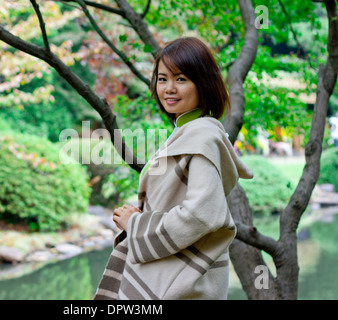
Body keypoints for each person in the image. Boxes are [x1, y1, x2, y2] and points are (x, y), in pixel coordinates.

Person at [94, 37, 253, 300]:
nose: (169, 88)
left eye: (181, 79)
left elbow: (200, 215)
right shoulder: (188, 131)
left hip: (180, 284)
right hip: (174, 273)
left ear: (203, 84)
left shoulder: (202, 138)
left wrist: (135, 223)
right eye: (162, 78)